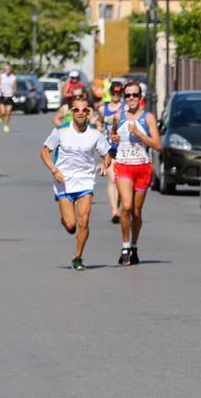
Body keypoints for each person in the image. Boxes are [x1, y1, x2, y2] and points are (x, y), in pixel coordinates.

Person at [40, 95, 113, 270]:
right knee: (71, 225)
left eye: (84, 110)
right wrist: (55, 170)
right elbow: (44, 152)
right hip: (64, 181)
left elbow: (107, 156)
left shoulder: (95, 134)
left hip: (85, 181)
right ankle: (65, 221)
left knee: (84, 221)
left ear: (88, 113)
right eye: (76, 110)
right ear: (71, 112)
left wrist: (104, 165)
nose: (80, 113)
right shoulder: (61, 131)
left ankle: (78, 258)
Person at [109, 81, 160, 265]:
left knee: (137, 212)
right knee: (127, 207)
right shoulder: (118, 116)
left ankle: (134, 246)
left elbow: (158, 145)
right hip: (123, 166)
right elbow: (113, 136)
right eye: (128, 95)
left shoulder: (148, 118)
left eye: (135, 95)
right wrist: (114, 139)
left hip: (142, 167)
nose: (131, 98)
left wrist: (139, 134)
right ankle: (125, 246)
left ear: (140, 97)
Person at [98, 80, 124, 223]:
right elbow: (99, 123)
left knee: (120, 181)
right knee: (112, 179)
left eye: (118, 93)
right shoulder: (104, 109)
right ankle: (114, 210)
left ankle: (118, 208)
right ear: (110, 93)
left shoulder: (125, 109)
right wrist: (99, 129)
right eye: (114, 92)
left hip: (123, 149)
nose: (116, 95)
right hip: (109, 149)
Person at [0, 63, 15, 133]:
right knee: (3, 111)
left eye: (8, 69)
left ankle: (6, 125)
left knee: (8, 112)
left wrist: (13, 91)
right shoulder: (2, 76)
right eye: (5, 69)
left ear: (11, 69)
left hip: (9, 96)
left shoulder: (13, 77)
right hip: (2, 96)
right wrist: (0, 89)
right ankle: (0, 117)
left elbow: (15, 87)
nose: (7, 70)